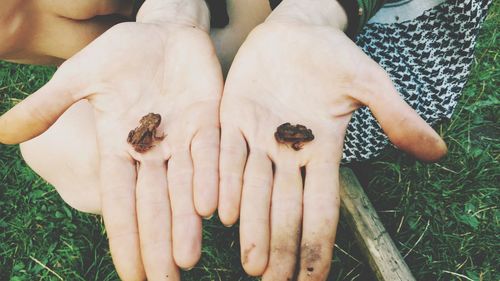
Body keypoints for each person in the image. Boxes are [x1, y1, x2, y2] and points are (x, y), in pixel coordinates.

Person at [0, 0, 490, 280]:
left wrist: (310, 13)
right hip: (202, 51)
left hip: (332, 55)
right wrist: (171, 16)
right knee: (63, 145)